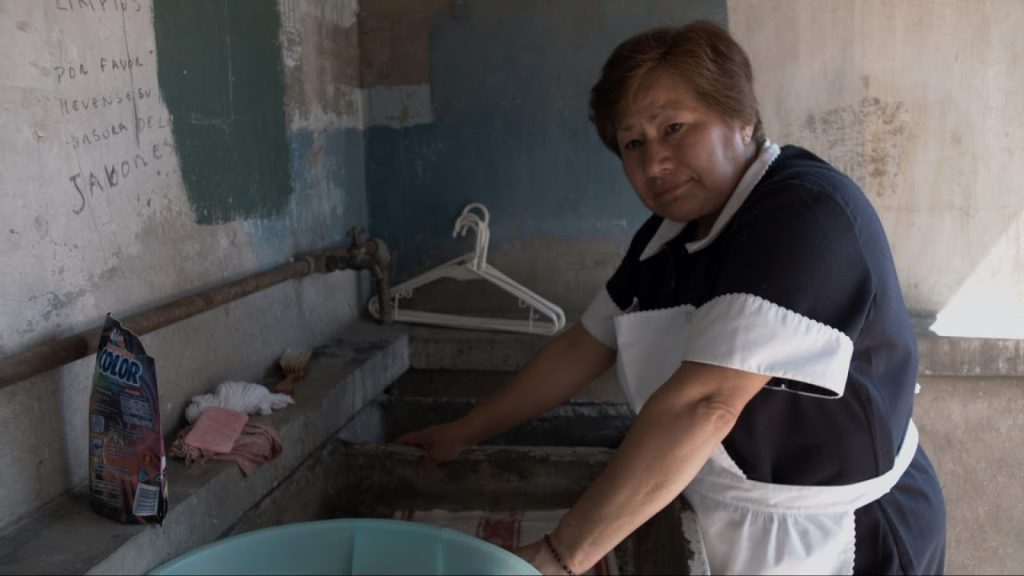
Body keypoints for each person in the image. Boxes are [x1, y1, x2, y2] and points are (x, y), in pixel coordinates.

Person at [398, 21, 946, 575]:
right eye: (632, 142)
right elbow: (586, 345)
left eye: (674, 128)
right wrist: (464, 432)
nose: (654, 163)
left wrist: (559, 557)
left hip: (837, 535)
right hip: (725, 511)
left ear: (742, 118)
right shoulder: (670, 234)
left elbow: (705, 403)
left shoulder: (805, 216)